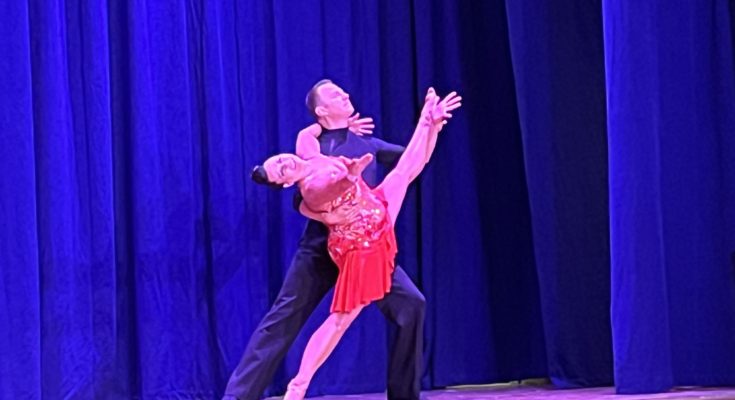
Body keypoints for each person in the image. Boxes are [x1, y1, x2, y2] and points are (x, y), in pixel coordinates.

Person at [223, 80, 450, 400]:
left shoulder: (365, 143)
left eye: (342, 91)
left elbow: (410, 162)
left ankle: (403, 396)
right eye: (334, 94)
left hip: (369, 241)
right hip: (321, 250)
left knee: (411, 305)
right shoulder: (309, 151)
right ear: (321, 110)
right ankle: (241, 396)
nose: (344, 94)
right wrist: (345, 173)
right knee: (285, 318)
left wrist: (430, 126)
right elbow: (307, 196)